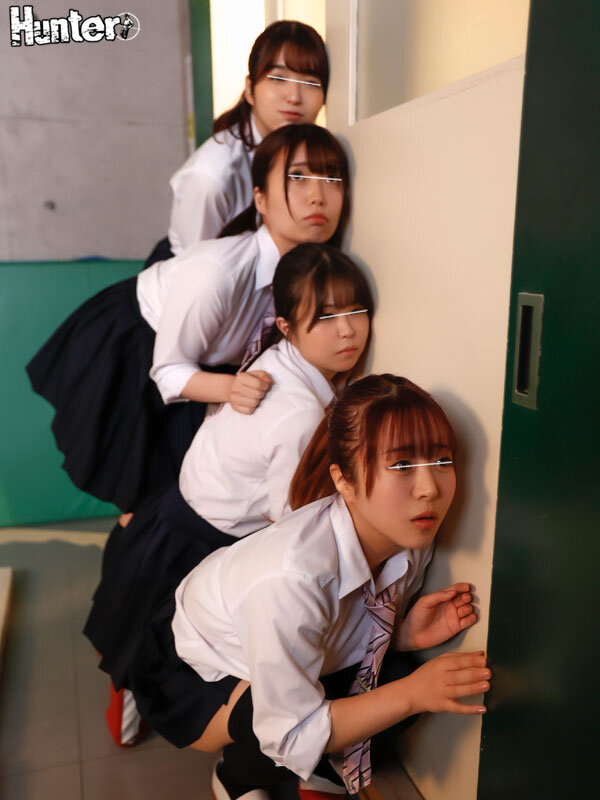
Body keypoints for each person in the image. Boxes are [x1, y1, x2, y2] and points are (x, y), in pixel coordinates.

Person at [128, 374, 491, 800]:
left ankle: (321, 774)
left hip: (277, 641)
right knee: (290, 716)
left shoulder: (409, 537)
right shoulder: (292, 578)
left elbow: (333, 631)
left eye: (442, 461)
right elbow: (289, 730)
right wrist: (413, 695)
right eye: (401, 466)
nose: (429, 489)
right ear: (344, 480)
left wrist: (401, 635)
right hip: (195, 664)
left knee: (394, 675)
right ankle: (236, 776)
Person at [84, 243, 373, 746]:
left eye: (356, 310)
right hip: (195, 540)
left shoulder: (280, 361)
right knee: (157, 660)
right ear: (286, 326)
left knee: (147, 644)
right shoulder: (300, 414)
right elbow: (291, 519)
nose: (347, 330)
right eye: (326, 317)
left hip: (176, 516)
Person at [26, 124, 350, 517]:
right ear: (260, 200)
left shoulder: (312, 273)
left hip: (207, 360)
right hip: (140, 343)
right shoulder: (218, 273)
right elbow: (168, 371)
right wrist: (230, 388)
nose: (317, 195)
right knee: (142, 494)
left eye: (332, 178)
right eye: (297, 177)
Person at [145, 20, 328, 266]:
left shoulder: (311, 155)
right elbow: (198, 271)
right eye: (278, 78)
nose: (294, 97)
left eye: (310, 83)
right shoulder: (212, 177)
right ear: (250, 89)